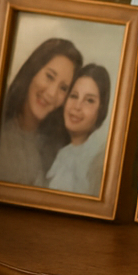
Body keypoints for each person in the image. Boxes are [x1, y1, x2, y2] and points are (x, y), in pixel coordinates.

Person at [0, 38, 82, 187]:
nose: (52, 93)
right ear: (32, 71)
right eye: (49, 77)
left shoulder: (60, 150)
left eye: (63, 88)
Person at [43, 64, 112, 196]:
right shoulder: (61, 153)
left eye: (89, 100)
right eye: (74, 96)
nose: (77, 107)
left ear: (101, 109)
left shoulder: (99, 160)